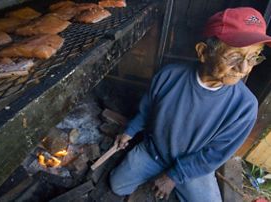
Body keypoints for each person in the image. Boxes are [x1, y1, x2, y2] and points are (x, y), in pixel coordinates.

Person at [109, 7, 271, 202]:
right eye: (234, 56)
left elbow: (214, 155)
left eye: (254, 57)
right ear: (203, 52)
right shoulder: (169, 76)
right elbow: (148, 108)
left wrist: (173, 176)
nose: (243, 68)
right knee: (117, 185)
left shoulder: (244, 107)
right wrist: (131, 130)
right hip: (154, 152)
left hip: (194, 166)